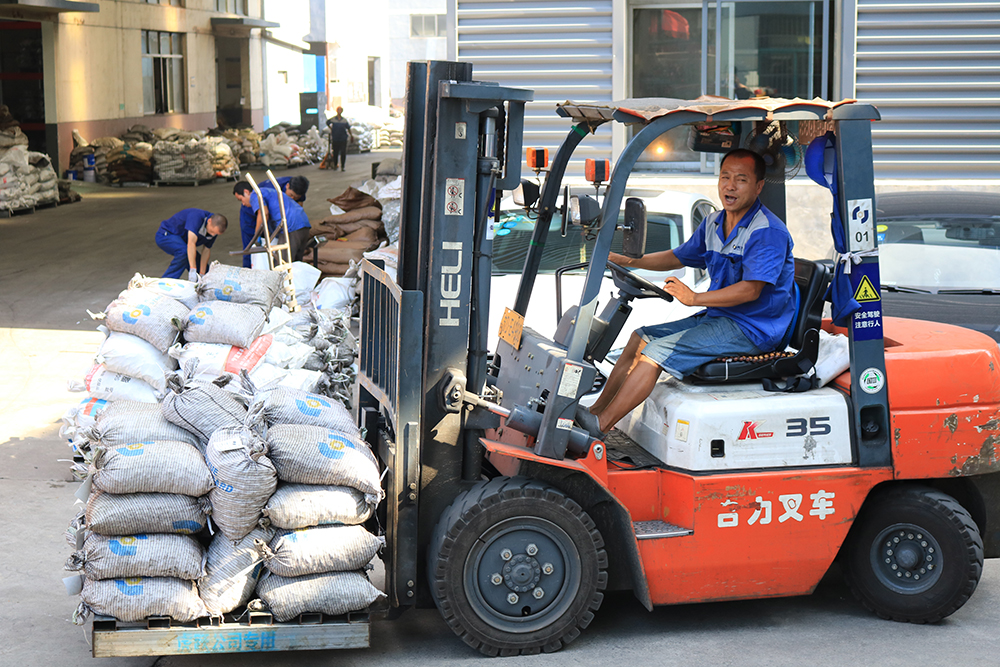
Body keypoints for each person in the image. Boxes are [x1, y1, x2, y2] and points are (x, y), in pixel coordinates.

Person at [576, 149, 796, 439]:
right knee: (639, 338)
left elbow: (751, 290)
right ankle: (594, 413)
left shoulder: (767, 232)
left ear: (758, 187)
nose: (730, 186)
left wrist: (694, 298)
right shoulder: (714, 222)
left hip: (753, 329)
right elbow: (678, 257)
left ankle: (601, 427)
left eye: (741, 180)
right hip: (721, 318)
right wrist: (629, 261)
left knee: (655, 353)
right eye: (725, 177)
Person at [233, 181, 312, 267]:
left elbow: (263, 213)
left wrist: (256, 236)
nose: (243, 204)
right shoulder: (268, 191)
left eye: (241, 199)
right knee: (296, 264)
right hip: (303, 225)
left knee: (281, 265)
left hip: (291, 228)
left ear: (246, 192)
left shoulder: (256, 194)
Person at [155, 208, 227, 280]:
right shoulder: (196, 217)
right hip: (166, 235)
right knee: (184, 252)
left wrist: (202, 274)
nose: (212, 234)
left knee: (206, 274)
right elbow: (191, 243)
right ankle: (165, 283)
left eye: (215, 234)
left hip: (183, 242)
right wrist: (193, 270)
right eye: (212, 231)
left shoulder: (214, 230)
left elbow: (206, 249)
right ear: (209, 221)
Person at [326, 107, 351, 171]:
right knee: (335, 152)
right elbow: (327, 122)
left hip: (343, 138)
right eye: (338, 110)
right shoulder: (333, 119)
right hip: (335, 138)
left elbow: (348, 128)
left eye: (340, 110)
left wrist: (351, 135)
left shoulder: (344, 120)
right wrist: (331, 129)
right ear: (337, 111)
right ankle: (335, 165)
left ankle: (343, 166)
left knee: (343, 152)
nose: (339, 111)